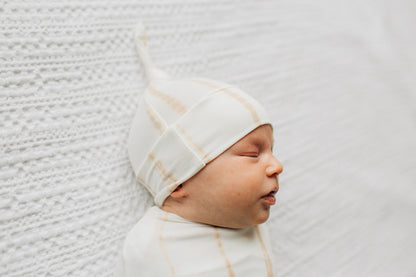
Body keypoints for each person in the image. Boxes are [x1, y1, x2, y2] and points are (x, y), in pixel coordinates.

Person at [116, 23, 283, 277]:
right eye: (253, 154)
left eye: (271, 151)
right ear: (177, 182)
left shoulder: (240, 222)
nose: (277, 166)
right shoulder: (154, 250)